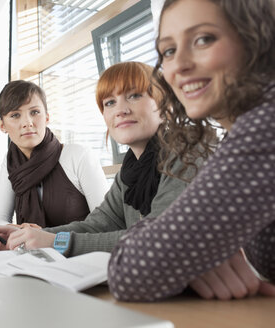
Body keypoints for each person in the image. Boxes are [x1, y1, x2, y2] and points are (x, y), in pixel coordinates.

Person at [108, 0, 275, 302]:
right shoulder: (240, 133)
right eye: (168, 51)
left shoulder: (267, 126)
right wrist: (193, 250)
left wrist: (184, 247)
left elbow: (129, 272)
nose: (179, 65)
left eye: (203, 39)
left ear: (257, 39)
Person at [0, 62, 200, 258]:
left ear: (164, 105)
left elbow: (161, 239)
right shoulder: (131, 170)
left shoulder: (185, 155)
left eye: (134, 95)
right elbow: (100, 224)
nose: (121, 110)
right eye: (110, 102)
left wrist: (55, 241)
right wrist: (26, 238)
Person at [0, 80, 108, 228]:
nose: (27, 122)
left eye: (34, 112)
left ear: (47, 118)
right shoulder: (11, 163)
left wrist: (43, 236)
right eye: (15, 115)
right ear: (2, 125)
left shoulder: (78, 156)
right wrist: (19, 230)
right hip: (32, 250)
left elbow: (107, 225)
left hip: (82, 251)